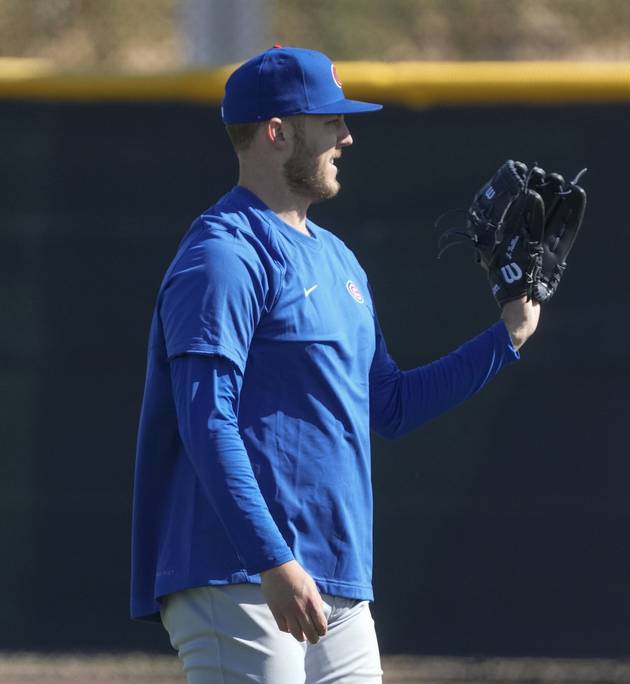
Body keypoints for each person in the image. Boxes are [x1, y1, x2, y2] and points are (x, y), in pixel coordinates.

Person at [130, 46, 539, 684]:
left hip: (338, 582)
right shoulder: (222, 257)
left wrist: (509, 334)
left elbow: (392, 405)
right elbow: (207, 420)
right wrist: (272, 560)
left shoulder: (339, 260)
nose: (347, 136)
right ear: (277, 132)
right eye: (330, 121)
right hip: (238, 573)